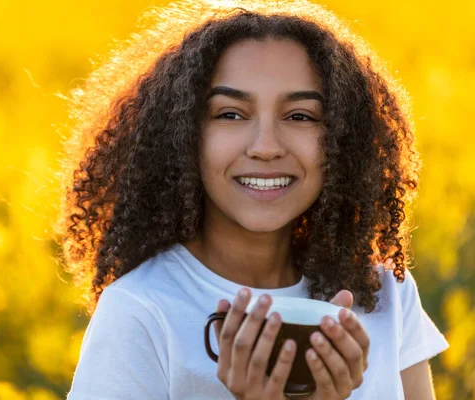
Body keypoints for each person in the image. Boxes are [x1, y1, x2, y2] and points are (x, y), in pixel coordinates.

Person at [58, 0, 449, 398]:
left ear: (343, 141)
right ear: (181, 135)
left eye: (300, 116)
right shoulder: (141, 311)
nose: (265, 147)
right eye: (230, 114)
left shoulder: (385, 292)